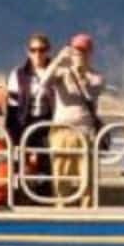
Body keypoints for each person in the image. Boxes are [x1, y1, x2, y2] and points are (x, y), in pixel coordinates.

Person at [37, 32, 105, 203]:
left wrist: (82, 76)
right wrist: (58, 60)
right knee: (61, 174)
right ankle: (61, 206)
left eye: (84, 51)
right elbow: (43, 82)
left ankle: (87, 209)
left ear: (90, 53)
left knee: (87, 176)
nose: (79, 54)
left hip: (85, 131)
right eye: (76, 50)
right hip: (62, 130)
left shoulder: (96, 77)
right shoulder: (61, 73)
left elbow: (91, 94)